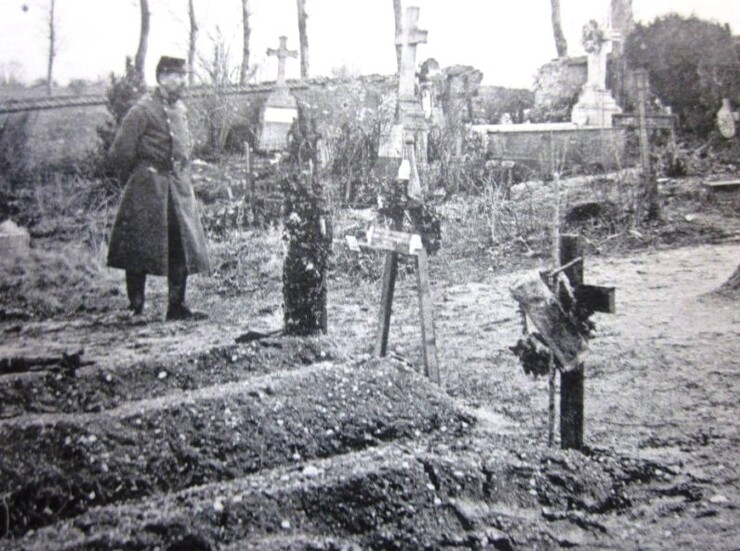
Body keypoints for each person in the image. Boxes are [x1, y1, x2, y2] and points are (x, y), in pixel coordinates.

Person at [107, 56, 210, 320]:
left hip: (177, 187)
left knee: (181, 243)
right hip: (147, 188)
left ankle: (177, 306)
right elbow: (120, 152)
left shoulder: (181, 109)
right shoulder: (142, 110)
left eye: (184, 76)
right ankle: (136, 307)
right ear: (162, 78)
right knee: (138, 246)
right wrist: (138, 179)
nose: (183, 81)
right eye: (177, 76)